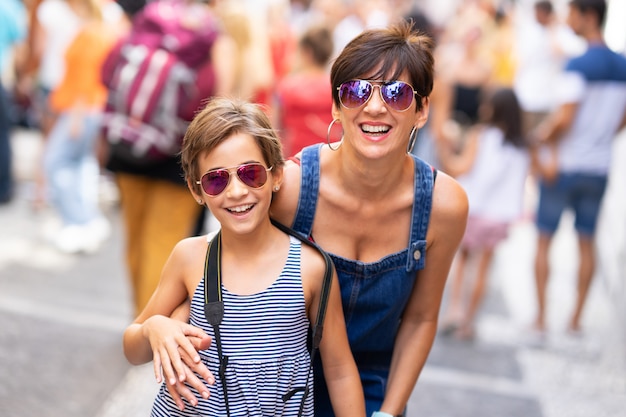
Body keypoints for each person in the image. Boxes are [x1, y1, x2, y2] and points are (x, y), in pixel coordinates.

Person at [147, 20, 469, 417]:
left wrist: (388, 411)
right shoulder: (291, 187)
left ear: (421, 110)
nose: (374, 106)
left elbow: (421, 318)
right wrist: (169, 322)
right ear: (335, 105)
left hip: (371, 388)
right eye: (356, 91)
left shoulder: (443, 205)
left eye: (397, 94)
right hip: (276, 386)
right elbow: (222, 265)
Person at [123, 97, 366, 417]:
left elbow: (339, 370)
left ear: (277, 174)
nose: (236, 191)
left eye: (250, 174)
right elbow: (133, 349)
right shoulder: (190, 258)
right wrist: (155, 327)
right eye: (216, 179)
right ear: (197, 191)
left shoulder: (312, 269)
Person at [103, 0, 236, 316]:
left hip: (128, 146)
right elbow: (222, 103)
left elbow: (108, 71)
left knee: (134, 242)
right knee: (164, 246)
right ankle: (149, 330)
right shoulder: (216, 36)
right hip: (180, 154)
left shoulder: (149, 21)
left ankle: (139, 319)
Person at [529, 0, 626, 342]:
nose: (567, 18)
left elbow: (565, 118)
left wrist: (539, 138)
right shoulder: (623, 64)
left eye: (571, 12)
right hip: (599, 166)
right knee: (588, 241)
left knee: (544, 238)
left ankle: (540, 320)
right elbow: (621, 120)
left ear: (588, 16)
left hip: (565, 163)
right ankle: (575, 321)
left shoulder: (578, 64)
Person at [437, 87, 530, 341]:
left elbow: (461, 167)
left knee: (463, 261)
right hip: (499, 216)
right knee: (483, 269)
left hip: (474, 208)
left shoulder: (481, 135)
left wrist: (445, 151)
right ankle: (468, 321)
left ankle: (454, 311)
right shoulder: (521, 146)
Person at [42, 0, 121, 253]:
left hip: (82, 109)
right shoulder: (99, 31)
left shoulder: (92, 34)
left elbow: (87, 80)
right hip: (85, 109)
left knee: (56, 162)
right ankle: (86, 220)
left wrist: (76, 115)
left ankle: (77, 221)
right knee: (79, 164)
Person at [274, 24, 334, 157]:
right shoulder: (336, 87)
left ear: (307, 52)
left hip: (296, 159)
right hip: (330, 155)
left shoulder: (286, 87)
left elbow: (276, 127)